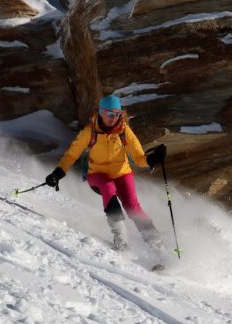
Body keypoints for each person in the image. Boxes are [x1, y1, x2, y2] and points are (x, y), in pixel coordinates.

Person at [45, 95, 167, 252]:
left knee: (132, 206)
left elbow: (138, 158)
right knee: (108, 188)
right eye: (110, 114)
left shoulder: (124, 131)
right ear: (101, 112)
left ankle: (157, 247)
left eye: (117, 114)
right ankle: (121, 241)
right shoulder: (90, 132)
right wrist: (58, 173)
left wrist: (152, 159)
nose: (114, 117)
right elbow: (71, 154)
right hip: (97, 175)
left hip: (122, 173)